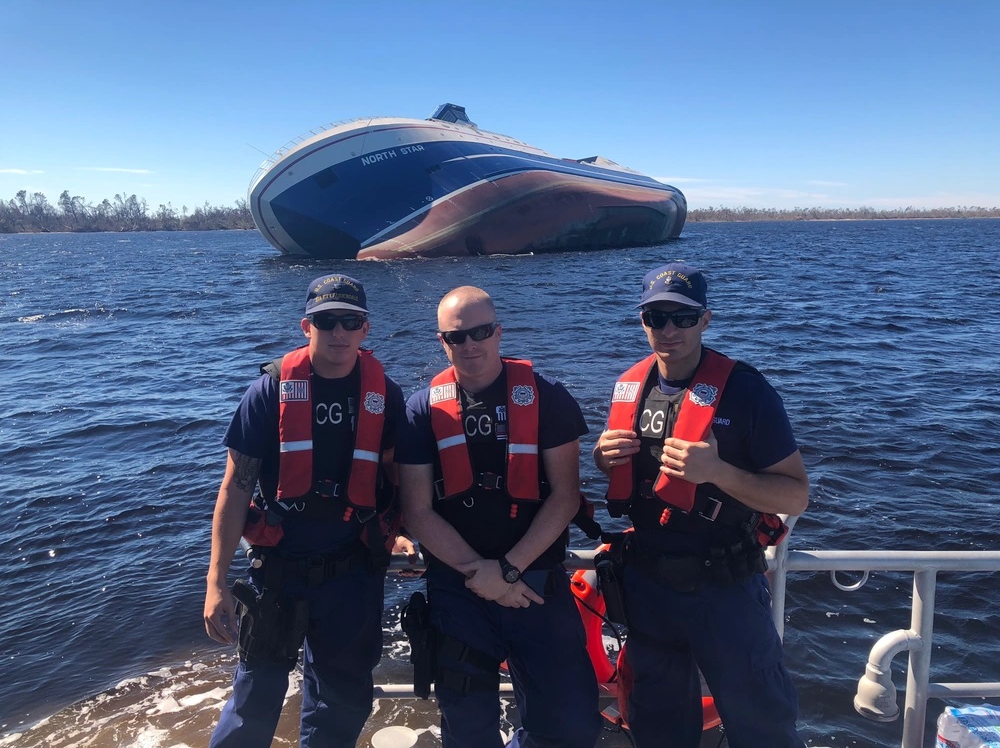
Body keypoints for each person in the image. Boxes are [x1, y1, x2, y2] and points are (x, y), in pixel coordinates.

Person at [593, 262, 810, 748]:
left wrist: (718, 472)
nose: (669, 330)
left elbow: (796, 494)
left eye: (683, 318)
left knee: (763, 727)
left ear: (705, 321)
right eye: (656, 317)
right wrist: (602, 457)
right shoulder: (632, 386)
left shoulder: (747, 392)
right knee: (659, 730)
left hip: (725, 592)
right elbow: (628, 478)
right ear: (642, 321)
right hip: (648, 588)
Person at [203, 274, 410, 748]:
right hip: (279, 570)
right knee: (254, 694)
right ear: (306, 326)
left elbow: (401, 479)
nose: (338, 332)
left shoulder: (387, 396)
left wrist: (401, 532)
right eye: (326, 321)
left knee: (340, 700)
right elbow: (236, 486)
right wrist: (216, 582)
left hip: (353, 571)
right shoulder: (269, 392)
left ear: (365, 329)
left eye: (350, 321)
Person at [396, 286, 601, 748]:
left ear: (499, 332)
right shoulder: (419, 411)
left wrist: (507, 572)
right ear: (442, 342)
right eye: (456, 336)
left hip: (535, 584)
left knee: (570, 727)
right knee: (468, 730)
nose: (470, 344)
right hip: (459, 594)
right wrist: (480, 575)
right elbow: (417, 510)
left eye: (481, 331)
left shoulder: (548, 397)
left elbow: (566, 496)